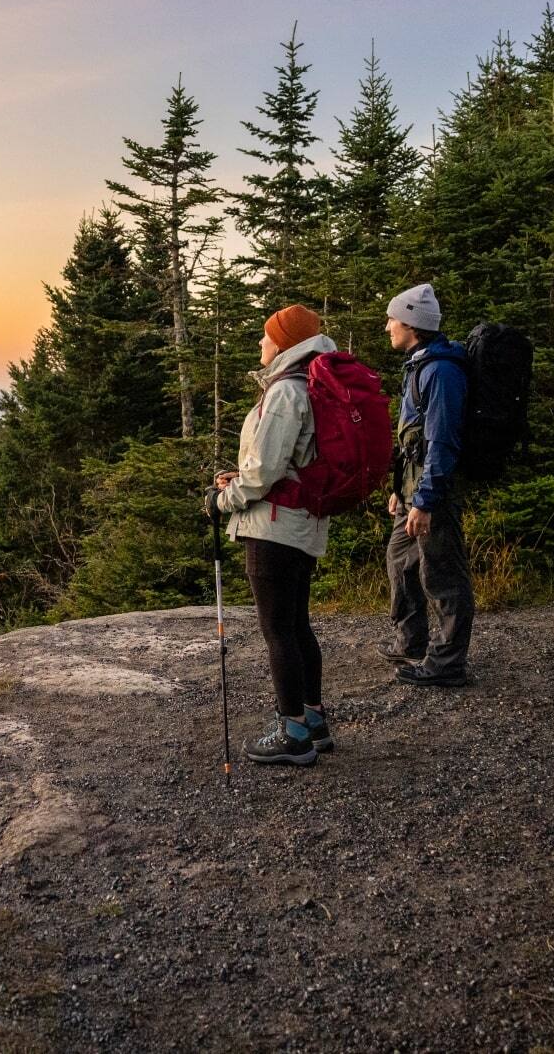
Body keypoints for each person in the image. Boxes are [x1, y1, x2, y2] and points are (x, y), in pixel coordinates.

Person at [212, 304, 339, 765]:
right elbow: (283, 463)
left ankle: (292, 735)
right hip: (300, 522)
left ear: (284, 343)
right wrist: (240, 476)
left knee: (277, 629)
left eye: (267, 338)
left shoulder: (287, 391)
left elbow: (265, 470)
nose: (261, 345)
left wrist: (223, 500)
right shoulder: (309, 384)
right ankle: (313, 721)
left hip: (274, 528)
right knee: (296, 623)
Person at [380, 282, 475, 685]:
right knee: (399, 561)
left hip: (432, 495)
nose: (387, 327)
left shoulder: (440, 371)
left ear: (412, 324)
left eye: (393, 319)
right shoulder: (420, 364)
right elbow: (412, 439)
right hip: (412, 493)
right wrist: (400, 490)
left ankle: (448, 664)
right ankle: (411, 642)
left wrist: (426, 501)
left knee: (442, 576)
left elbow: (442, 441)